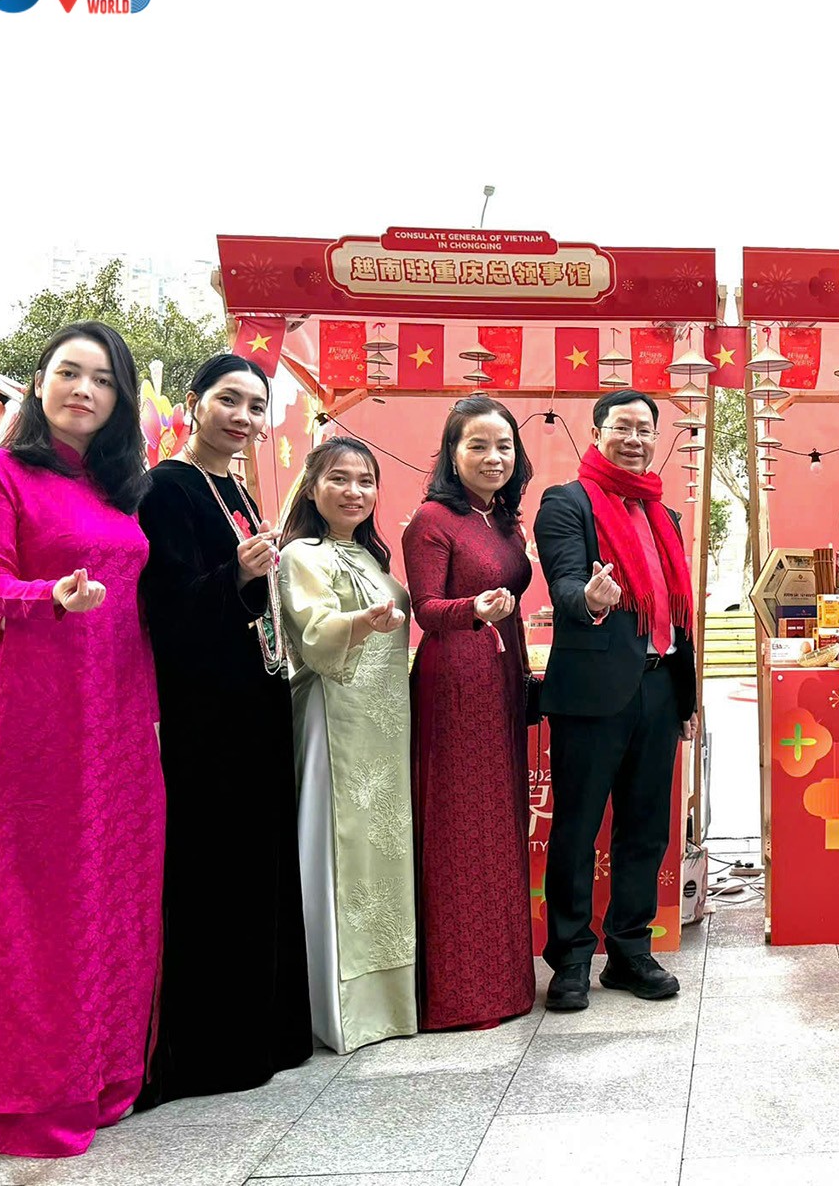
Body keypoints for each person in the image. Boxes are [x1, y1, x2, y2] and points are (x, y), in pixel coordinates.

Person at [0, 322, 164, 1157]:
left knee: (116, 884)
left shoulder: (117, 486)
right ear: (38, 382)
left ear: (119, 399)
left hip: (121, 709)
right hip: (40, 709)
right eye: (69, 372)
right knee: (41, 892)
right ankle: (27, 1091)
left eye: (102, 380)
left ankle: (103, 1074)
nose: (83, 390)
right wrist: (52, 597)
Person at [135, 353, 313, 1108]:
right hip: (205, 715)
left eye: (255, 406)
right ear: (194, 402)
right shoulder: (166, 489)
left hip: (257, 699)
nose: (243, 417)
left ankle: (268, 1030)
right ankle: (215, 1048)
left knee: (260, 863)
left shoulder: (235, 488)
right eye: (229, 400)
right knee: (216, 869)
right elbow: (165, 606)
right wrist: (236, 577)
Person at [534, 389, 698, 1011]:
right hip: (593, 694)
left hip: (659, 688)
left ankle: (630, 951)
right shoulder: (566, 502)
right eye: (622, 427)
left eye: (645, 430)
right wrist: (589, 600)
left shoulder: (664, 514)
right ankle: (572, 959)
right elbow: (565, 581)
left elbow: (678, 615)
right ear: (597, 433)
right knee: (577, 829)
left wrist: (685, 697)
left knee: (646, 829)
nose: (634, 440)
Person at [278, 439, 420, 1053]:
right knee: (339, 856)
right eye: (339, 479)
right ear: (312, 488)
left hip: (384, 730)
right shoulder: (300, 556)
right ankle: (338, 1011)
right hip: (333, 720)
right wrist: (363, 623)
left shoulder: (370, 556)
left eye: (366, 481)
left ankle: (388, 1004)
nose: (354, 492)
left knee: (381, 857)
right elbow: (313, 633)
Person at [404, 396, 537, 1029]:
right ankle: (463, 994)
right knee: (461, 827)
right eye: (477, 445)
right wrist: (474, 610)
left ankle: (506, 982)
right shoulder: (432, 519)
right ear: (451, 454)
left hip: (502, 675)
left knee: (500, 823)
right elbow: (425, 609)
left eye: (503, 446)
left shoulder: (504, 519)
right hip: (456, 678)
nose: (493, 457)